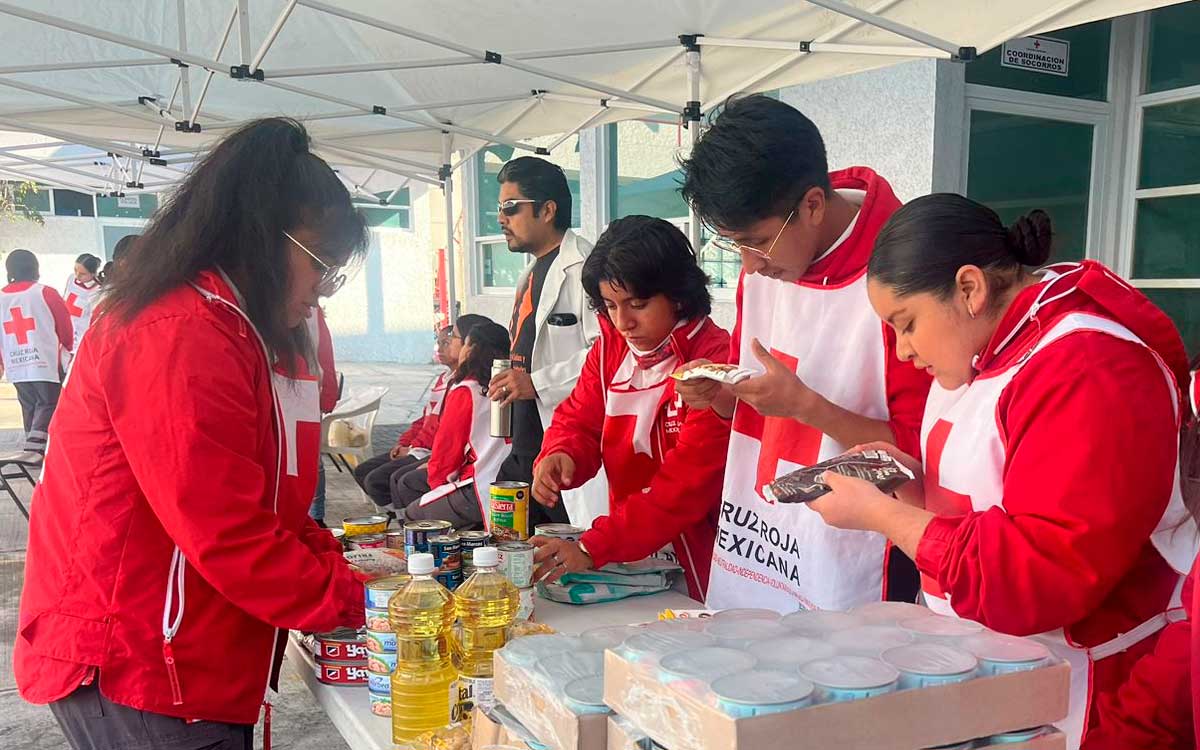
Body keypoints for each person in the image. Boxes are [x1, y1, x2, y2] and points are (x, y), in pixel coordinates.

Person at [16, 118, 369, 749]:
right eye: (321, 266)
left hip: (184, 654)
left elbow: (268, 499)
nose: (322, 293)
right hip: (141, 661)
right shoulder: (180, 330)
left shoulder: (235, 325)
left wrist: (338, 566)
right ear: (260, 237)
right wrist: (355, 601)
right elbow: (229, 530)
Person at [808, 194, 1198, 748]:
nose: (902, 351)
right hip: (998, 668)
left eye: (908, 323)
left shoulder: (1087, 367)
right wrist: (912, 485)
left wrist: (882, 516)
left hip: (1094, 689)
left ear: (969, 289)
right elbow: (988, 496)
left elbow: (1042, 571)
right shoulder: (990, 345)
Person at [674, 94, 931, 612]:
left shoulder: (906, 271)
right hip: (760, 539)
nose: (748, 266)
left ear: (813, 205)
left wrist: (804, 406)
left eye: (757, 242)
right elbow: (754, 417)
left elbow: (922, 456)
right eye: (732, 245)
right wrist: (722, 397)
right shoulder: (768, 266)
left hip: (860, 553)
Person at [527, 216, 730, 599]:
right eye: (610, 306)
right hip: (634, 556)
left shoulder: (715, 360)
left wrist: (592, 547)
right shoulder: (609, 350)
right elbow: (578, 419)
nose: (624, 322)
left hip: (706, 557)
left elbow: (686, 485)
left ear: (679, 295)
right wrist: (562, 454)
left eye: (637, 304)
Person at [484, 156, 605, 528]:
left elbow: (607, 355)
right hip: (524, 446)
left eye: (511, 207)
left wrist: (537, 382)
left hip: (564, 453)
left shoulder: (586, 267)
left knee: (565, 554)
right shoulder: (531, 273)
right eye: (499, 208)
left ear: (547, 209)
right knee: (511, 549)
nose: (501, 218)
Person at [352, 318, 485, 512]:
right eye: (438, 342)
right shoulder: (446, 381)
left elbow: (448, 438)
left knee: (401, 482)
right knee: (368, 473)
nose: (441, 347)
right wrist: (406, 443)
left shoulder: (467, 388)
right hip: (424, 450)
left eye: (449, 341)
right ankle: (404, 517)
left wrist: (431, 464)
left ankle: (408, 520)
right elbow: (425, 420)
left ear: (470, 346)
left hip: (440, 457)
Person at [394, 320, 511, 528]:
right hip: (506, 476)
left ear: (473, 348)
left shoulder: (467, 390)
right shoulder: (512, 385)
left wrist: (437, 488)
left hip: (479, 482)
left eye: (463, 342)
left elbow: (446, 452)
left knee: (414, 516)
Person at [0, 248, 73, 463]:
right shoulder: (46, 292)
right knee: (49, 402)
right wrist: (67, 345)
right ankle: (35, 449)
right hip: (44, 358)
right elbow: (64, 323)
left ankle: (33, 447)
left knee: (29, 403)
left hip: (16, 360)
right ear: (35, 268)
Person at [307, 306, 340, 527]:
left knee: (311, 458)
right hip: (272, 391)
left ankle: (316, 516)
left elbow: (325, 353)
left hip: (308, 392)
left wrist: (328, 393)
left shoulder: (311, 310)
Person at [63, 253, 102, 351]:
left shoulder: (99, 290)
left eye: (82, 274)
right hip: (67, 330)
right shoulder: (71, 279)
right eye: (75, 270)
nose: (77, 276)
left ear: (93, 274)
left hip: (82, 336)